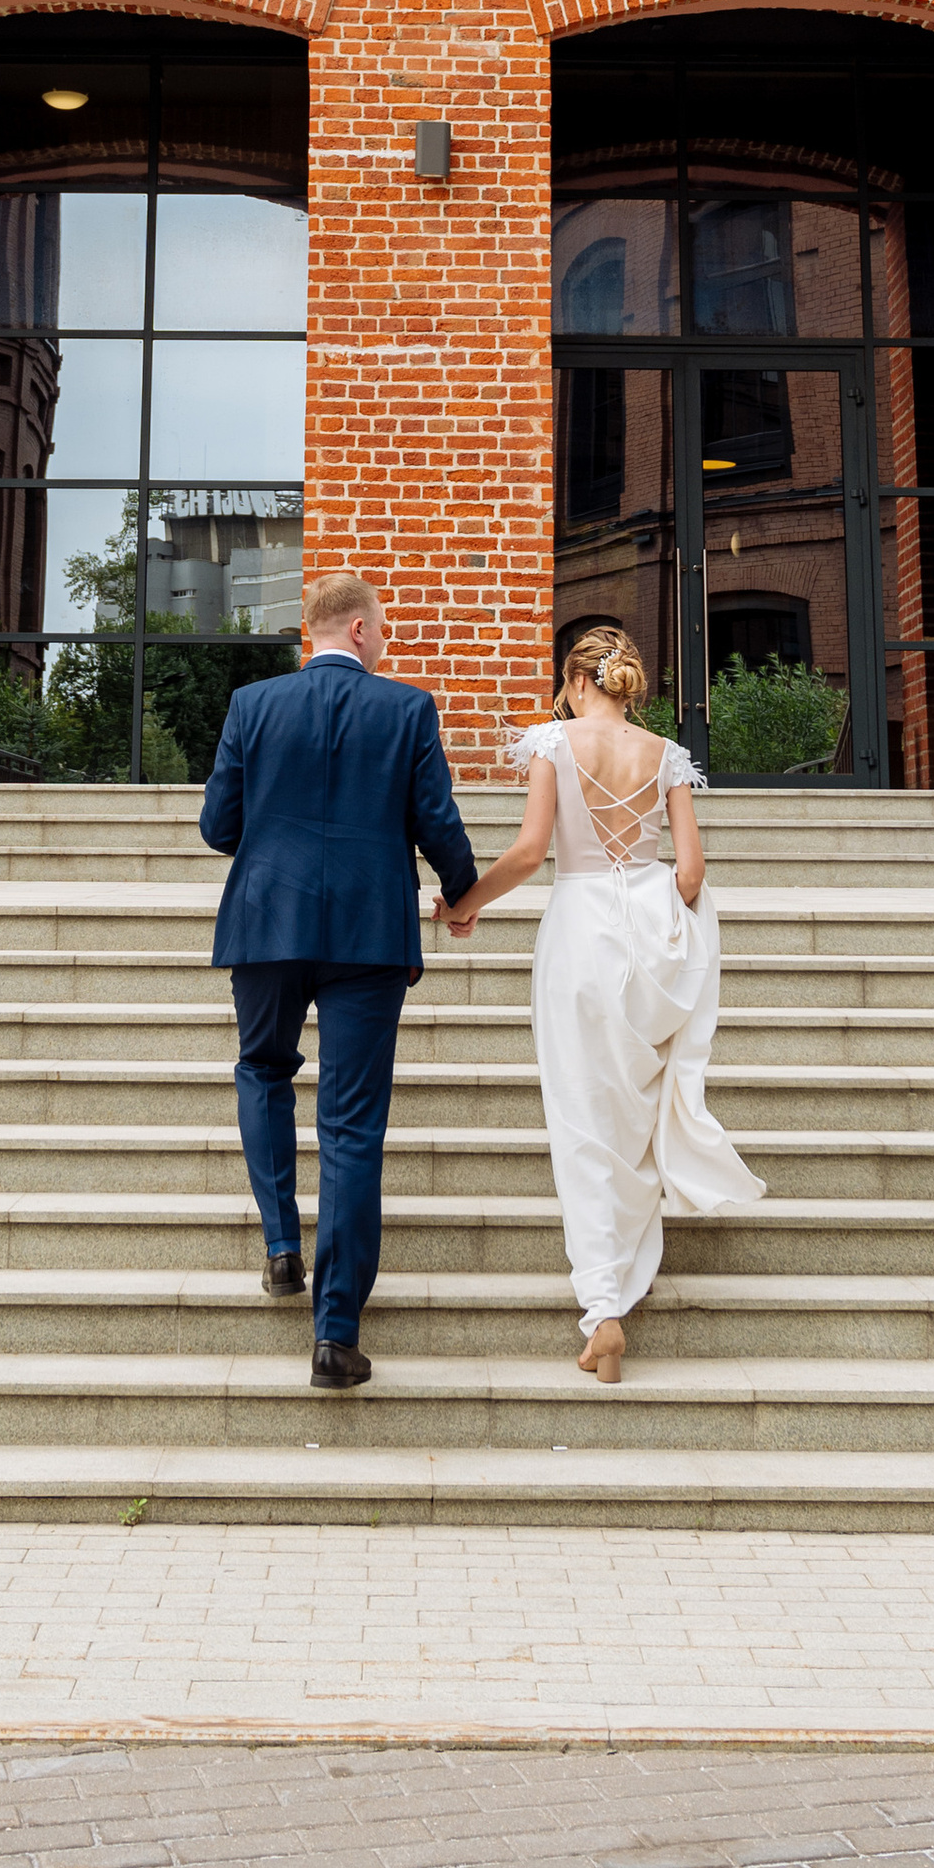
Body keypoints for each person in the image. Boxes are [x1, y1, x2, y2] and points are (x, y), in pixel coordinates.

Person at [441, 627, 763, 1380]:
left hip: (580, 932)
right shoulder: (667, 756)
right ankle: (623, 1277)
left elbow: (529, 851)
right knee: (634, 1115)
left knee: (581, 1118)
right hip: (649, 937)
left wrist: (465, 900)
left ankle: (604, 1311)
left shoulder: (553, 743)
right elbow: (690, 871)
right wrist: (667, 923)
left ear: (576, 680)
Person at [199, 569, 480, 1390]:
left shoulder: (252, 705)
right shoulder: (406, 708)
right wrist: (461, 894)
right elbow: (439, 822)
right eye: (382, 626)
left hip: (267, 925)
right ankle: (335, 1333)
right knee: (352, 1127)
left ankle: (282, 1247)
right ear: (357, 629)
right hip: (366, 931)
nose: (385, 638)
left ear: (309, 630)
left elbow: (219, 826)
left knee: (262, 1070)